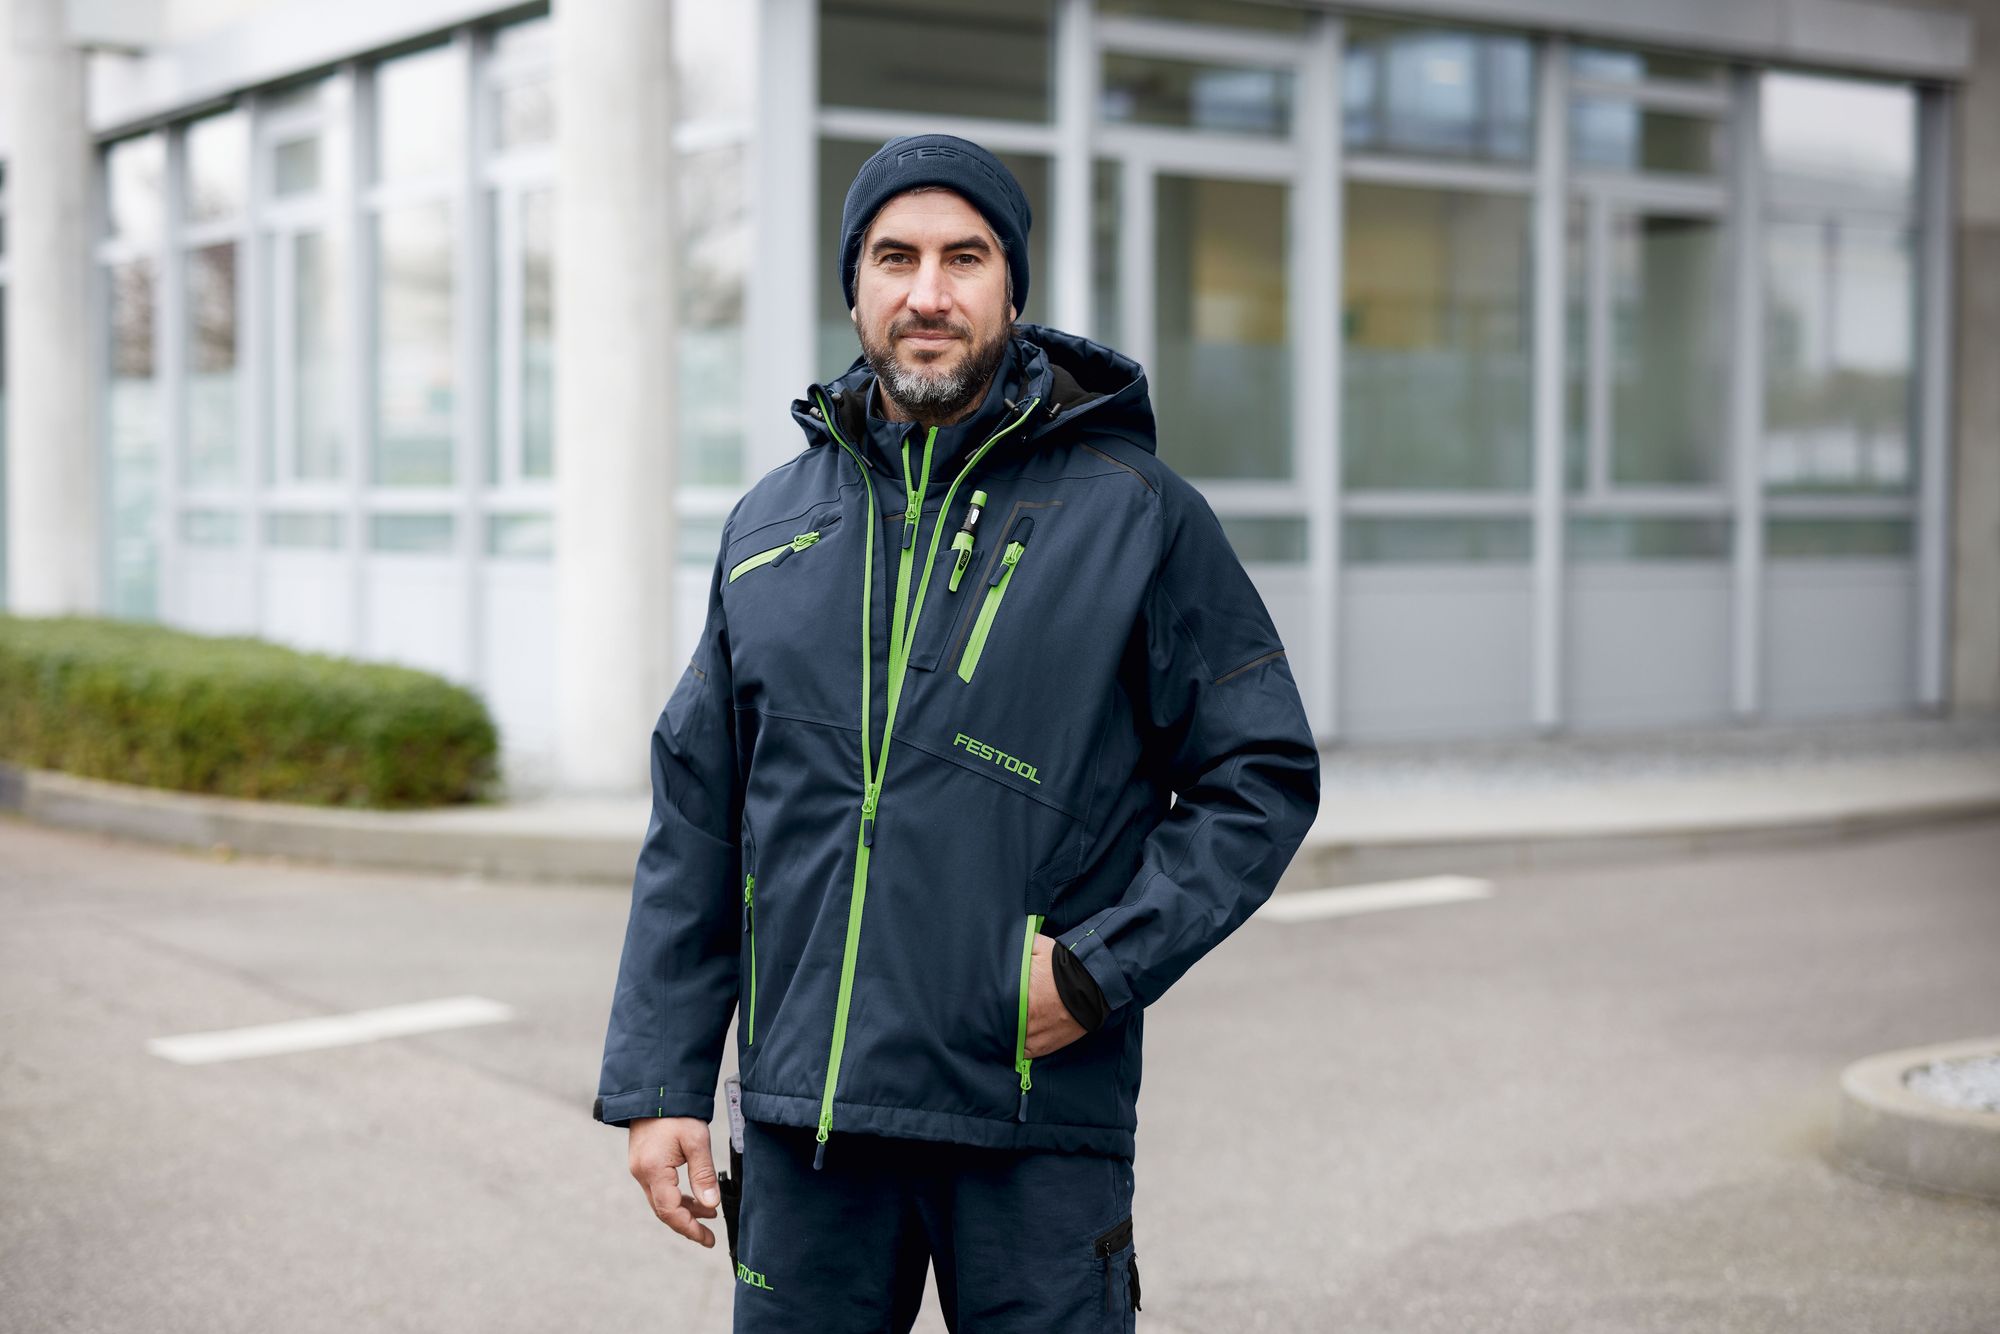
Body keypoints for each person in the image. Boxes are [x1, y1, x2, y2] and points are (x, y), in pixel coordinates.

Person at [594, 132, 1321, 1332]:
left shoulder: (1136, 514)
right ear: (854, 288)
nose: (926, 291)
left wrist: (1096, 969)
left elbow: (1258, 775)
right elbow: (697, 816)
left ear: (1010, 289)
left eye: (962, 257)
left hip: (1030, 1118)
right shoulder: (770, 525)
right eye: (894, 257)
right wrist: (662, 1075)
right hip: (807, 1121)